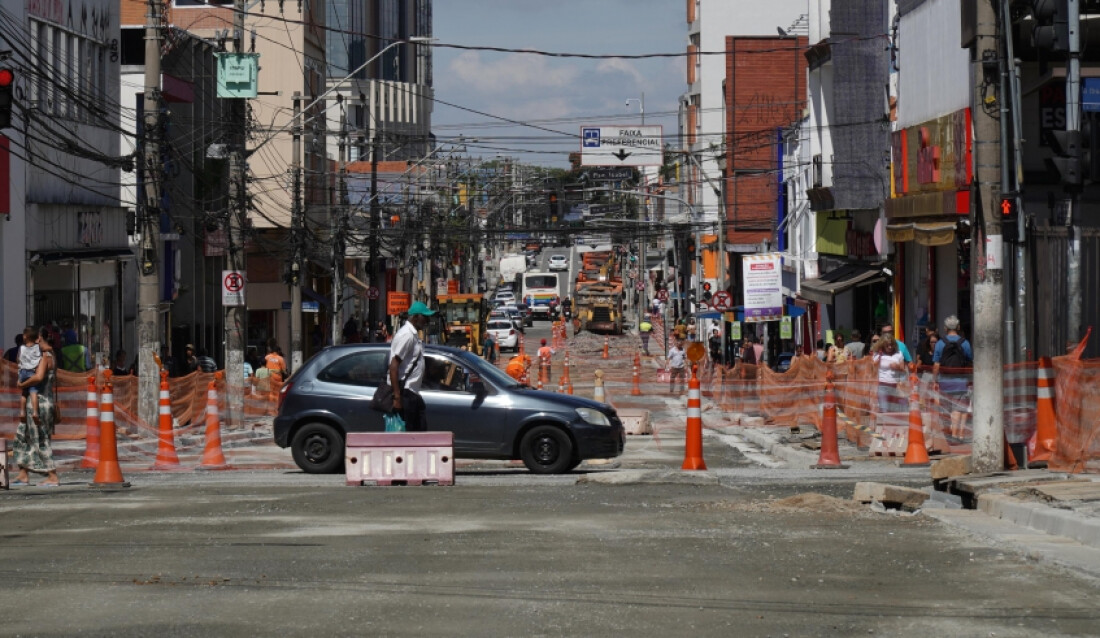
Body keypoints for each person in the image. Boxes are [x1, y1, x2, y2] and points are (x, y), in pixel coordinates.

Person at [11, 326, 60, 487]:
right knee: (22, 435)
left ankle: (52, 475)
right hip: (36, 403)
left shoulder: (46, 355)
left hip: (40, 403)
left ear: (39, 339)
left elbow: (38, 377)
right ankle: (23, 472)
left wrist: (22, 384)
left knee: (40, 438)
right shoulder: (41, 354)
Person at [388, 301, 436, 431]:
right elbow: (393, 366)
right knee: (410, 435)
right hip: (405, 393)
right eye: (424, 317)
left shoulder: (413, 335)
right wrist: (397, 397)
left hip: (412, 393)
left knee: (420, 431)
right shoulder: (407, 336)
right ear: (415, 317)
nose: (427, 320)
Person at [933, 315, 974, 442]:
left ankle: (949, 435)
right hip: (961, 382)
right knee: (957, 408)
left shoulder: (940, 344)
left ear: (945, 328)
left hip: (945, 382)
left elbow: (936, 365)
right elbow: (970, 362)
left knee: (946, 409)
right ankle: (956, 435)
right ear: (959, 327)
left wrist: (935, 380)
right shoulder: (965, 343)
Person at [872, 336, 907, 413]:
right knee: (884, 409)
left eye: (891, 344)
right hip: (882, 385)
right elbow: (873, 368)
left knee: (894, 410)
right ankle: (885, 424)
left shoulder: (899, 354)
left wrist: (897, 367)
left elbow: (903, 370)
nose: (890, 347)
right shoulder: (877, 354)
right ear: (882, 345)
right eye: (887, 345)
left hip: (895, 386)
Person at [17, 326, 42, 425]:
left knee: (24, 393)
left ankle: (22, 412)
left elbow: (18, 359)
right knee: (33, 393)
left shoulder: (22, 348)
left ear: (25, 336)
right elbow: (40, 357)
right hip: (32, 372)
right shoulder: (37, 347)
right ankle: (35, 412)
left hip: (23, 372)